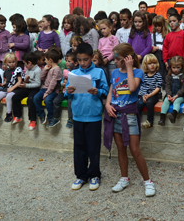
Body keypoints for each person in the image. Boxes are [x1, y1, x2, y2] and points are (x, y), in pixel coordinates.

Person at [104, 43, 156, 197]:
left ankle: (148, 181)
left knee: (134, 149)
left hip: (130, 115)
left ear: (127, 58)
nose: (115, 62)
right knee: (120, 148)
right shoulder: (114, 73)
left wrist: (128, 68)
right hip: (115, 114)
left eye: (118, 59)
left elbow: (132, 88)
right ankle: (124, 178)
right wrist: (107, 104)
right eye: (114, 59)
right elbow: (111, 92)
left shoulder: (138, 72)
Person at [66, 43, 109, 191]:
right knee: (79, 147)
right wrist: (69, 91)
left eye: (85, 59)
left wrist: (98, 91)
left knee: (93, 147)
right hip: (78, 115)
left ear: (91, 57)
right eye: (79, 60)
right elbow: (66, 93)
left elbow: (105, 90)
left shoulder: (99, 72)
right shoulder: (74, 73)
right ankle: (81, 176)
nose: (83, 63)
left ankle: (95, 175)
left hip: (94, 116)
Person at [0, 53, 24, 122]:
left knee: (9, 96)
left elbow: (19, 81)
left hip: (16, 88)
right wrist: (2, 84)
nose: (12, 64)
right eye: (9, 62)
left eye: (13, 62)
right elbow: (6, 81)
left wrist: (12, 88)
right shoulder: (6, 71)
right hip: (7, 88)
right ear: (6, 63)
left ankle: (9, 113)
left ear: (16, 61)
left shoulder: (17, 70)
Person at [10, 52, 42, 130]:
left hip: (35, 89)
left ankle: (32, 120)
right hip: (27, 87)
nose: (25, 66)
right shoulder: (28, 68)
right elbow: (27, 81)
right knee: (15, 97)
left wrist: (26, 85)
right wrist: (25, 81)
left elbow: (38, 84)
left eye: (25, 63)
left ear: (30, 63)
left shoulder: (38, 70)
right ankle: (18, 116)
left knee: (30, 100)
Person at [33, 49, 63, 126]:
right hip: (44, 89)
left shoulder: (57, 70)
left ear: (50, 60)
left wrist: (47, 93)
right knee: (35, 98)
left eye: (45, 59)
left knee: (48, 100)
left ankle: (51, 118)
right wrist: (45, 70)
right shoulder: (49, 68)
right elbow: (42, 78)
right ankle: (41, 115)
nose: (45, 61)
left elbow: (53, 83)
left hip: (53, 91)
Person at [50, 52, 79, 129]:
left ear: (75, 63)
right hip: (64, 92)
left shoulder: (77, 72)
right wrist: (63, 83)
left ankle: (70, 118)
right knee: (56, 101)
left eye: (69, 61)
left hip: (72, 93)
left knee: (70, 101)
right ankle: (56, 118)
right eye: (66, 60)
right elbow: (62, 81)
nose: (67, 63)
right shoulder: (65, 71)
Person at [158, 56, 184, 126]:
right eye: (173, 67)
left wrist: (176, 96)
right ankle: (162, 118)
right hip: (171, 94)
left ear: (182, 67)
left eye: (178, 67)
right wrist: (169, 95)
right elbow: (167, 86)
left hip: (181, 95)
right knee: (166, 101)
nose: (176, 70)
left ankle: (173, 115)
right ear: (170, 67)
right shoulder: (169, 76)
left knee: (177, 102)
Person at [137, 54, 163, 129]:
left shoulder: (158, 75)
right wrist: (144, 95)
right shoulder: (144, 75)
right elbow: (142, 86)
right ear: (145, 65)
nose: (152, 65)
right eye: (149, 63)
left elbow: (158, 88)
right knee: (140, 104)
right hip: (144, 94)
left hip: (154, 95)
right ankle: (136, 120)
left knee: (149, 103)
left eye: (154, 63)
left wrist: (149, 95)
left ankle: (150, 121)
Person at [151, 15, 169, 82]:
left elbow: (168, 47)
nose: (157, 28)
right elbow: (151, 45)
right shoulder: (153, 35)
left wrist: (158, 47)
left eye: (159, 26)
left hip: (164, 58)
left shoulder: (167, 35)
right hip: (156, 58)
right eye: (155, 26)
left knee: (164, 75)